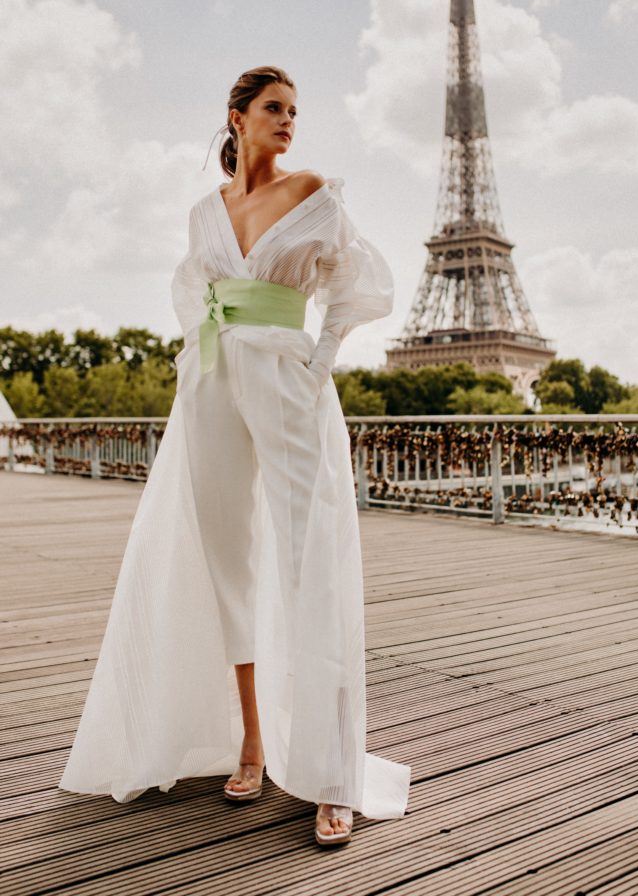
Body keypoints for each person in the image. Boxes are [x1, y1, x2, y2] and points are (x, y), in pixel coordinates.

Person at [58, 65, 411, 846]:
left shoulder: (313, 190)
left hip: (288, 385)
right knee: (229, 566)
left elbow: (358, 286)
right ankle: (252, 742)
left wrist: (315, 363)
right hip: (213, 387)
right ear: (237, 118)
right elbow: (193, 299)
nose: (288, 121)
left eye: (294, 111)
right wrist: (197, 372)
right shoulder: (204, 212)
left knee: (311, 563)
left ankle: (331, 774)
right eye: (274, 109)